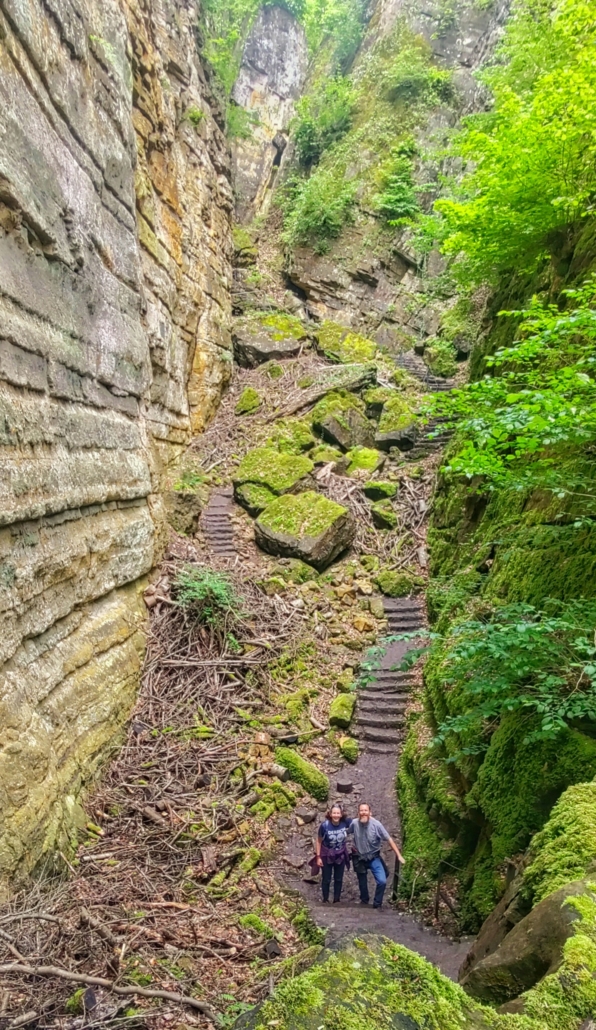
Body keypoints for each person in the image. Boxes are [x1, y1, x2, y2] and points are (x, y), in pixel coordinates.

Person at [348, 802, 405, 909]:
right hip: (359, 857)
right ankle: (364, 901)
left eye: (365, 810)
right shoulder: (354, 823)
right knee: (362, 882)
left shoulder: (376, 825)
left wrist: (398, 855)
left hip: (373, 857)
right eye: (361, 810)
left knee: (382, 881)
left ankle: (377, 903)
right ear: (358, 812)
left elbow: (389, 839)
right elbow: (346, 831)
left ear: (370, 812)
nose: (363, 812)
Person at [315, 802, 352, 904]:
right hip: (326, 854)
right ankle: (325, 899)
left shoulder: (346, 822)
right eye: (334, 813)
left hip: (340, 854)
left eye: (338, 813)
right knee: (326, 878)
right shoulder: (324, 826)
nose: (336, 815)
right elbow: (319, 841)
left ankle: (337, 899)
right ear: (330, 814)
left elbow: (358, 822)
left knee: (338, 878)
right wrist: (318, 857)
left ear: (341, 814)